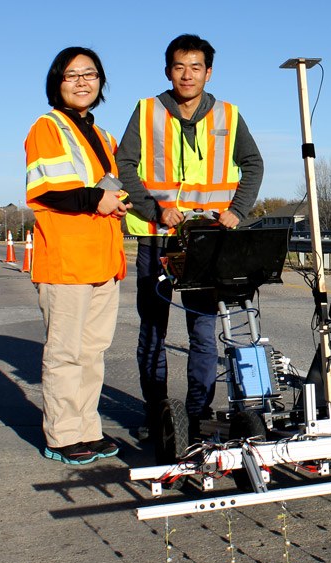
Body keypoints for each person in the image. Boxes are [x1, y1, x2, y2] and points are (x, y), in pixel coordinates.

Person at [116, 34, 263, 441]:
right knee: (153, 329)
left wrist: (237, 211)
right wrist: (154, 208)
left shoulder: (229, 115)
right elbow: (124, 165)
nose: (187, 74)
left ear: (208, 72)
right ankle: (156, 413)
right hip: (156, 236)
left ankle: (196, 416)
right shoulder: (146, 111)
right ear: (168, 71)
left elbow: (252, 164)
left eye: (195, 67)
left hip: (205, 240)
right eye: (180, 67)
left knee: (203, 328)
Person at [25, 47, 131, 464]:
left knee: (93, 351)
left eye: (90, 74)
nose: (83, 82)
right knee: (65, 352)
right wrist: (96, 199)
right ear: (57, 83)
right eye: (72, 75)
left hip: (103, 258)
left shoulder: (104, 137)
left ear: (101, 81)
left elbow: (114, 186)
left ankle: (87, 427)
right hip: (66, 259)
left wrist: (117, 201)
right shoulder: (47, 127)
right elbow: (46, 190)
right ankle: (62, 434)